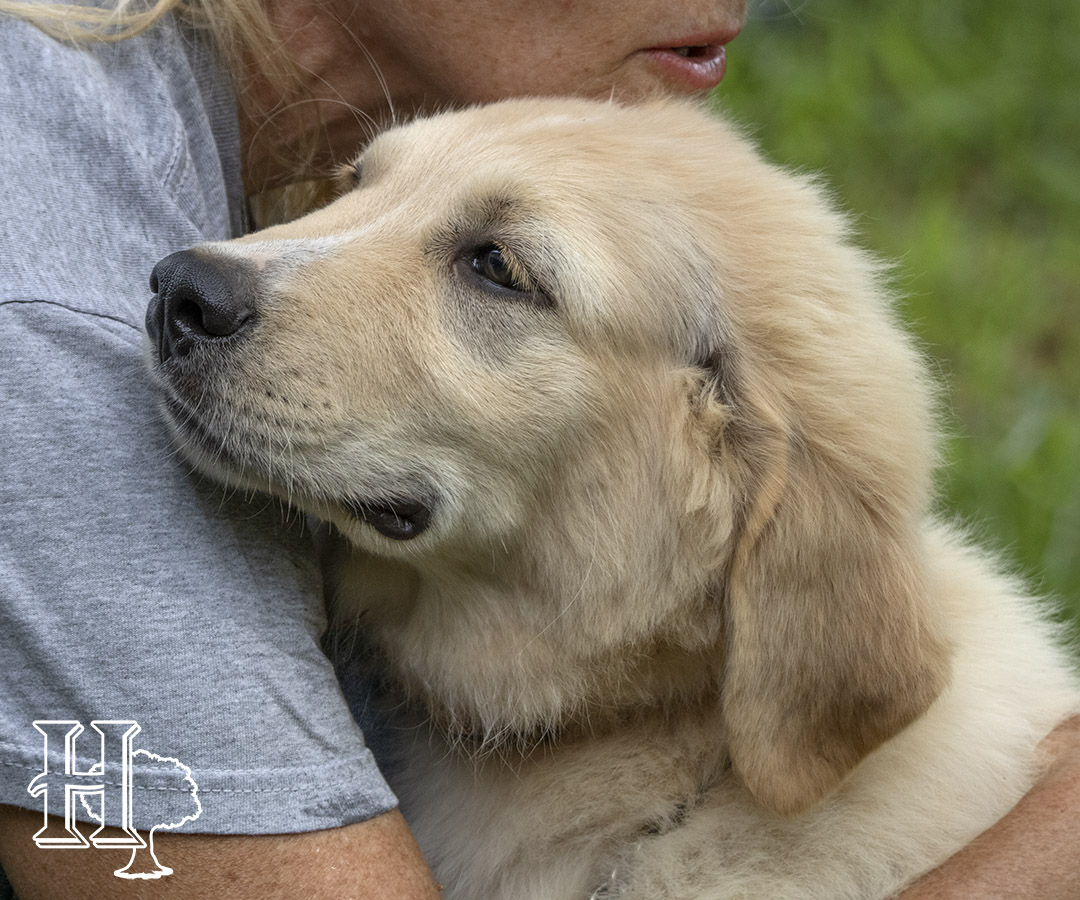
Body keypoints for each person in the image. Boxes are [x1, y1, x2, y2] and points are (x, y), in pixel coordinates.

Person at [0, 2, 1075, 898]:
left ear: (741, 484)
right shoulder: (48, 327)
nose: (234, 269)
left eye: (495, 270)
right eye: (362, 187)